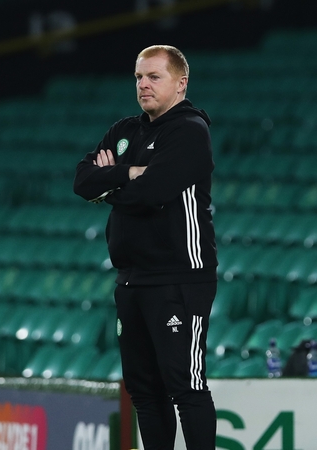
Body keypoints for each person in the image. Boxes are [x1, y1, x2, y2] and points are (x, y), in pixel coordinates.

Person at [73, 45, 217, 450]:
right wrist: (131, 172)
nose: (143, 84)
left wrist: (109, 185)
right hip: (131, 279)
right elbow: (82, 181)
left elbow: (153, 192)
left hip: (179, 277)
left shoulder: (189, 130)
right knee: (144, 391)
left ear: (181, 83)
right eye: (139, 77)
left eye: (154, 76)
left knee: (185, 386)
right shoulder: (125, 131)